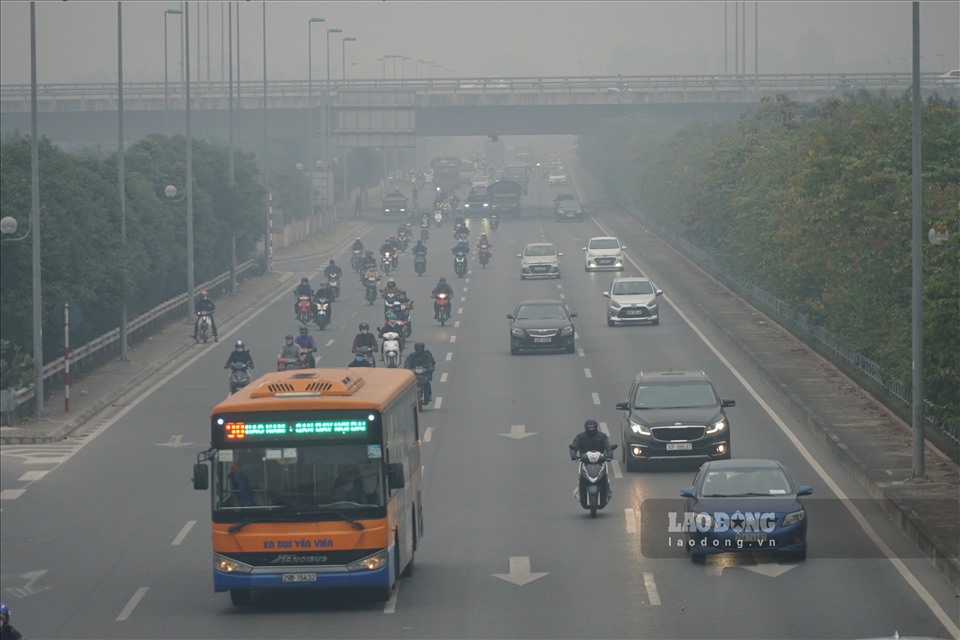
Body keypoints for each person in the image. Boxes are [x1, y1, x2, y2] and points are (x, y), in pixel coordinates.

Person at [569, 419, 613, 499]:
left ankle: (608, 490)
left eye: (593, 428)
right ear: (585, 428)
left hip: (600, 462)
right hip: (585, 462)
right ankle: (579, 490)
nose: (591, 430)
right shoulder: (580, 437)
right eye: (589, 428)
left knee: (606, 478)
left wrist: (609, 454)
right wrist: (573, 455)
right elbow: (574, 446)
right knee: (580, 478)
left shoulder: (602, 436)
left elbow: (608, 446)